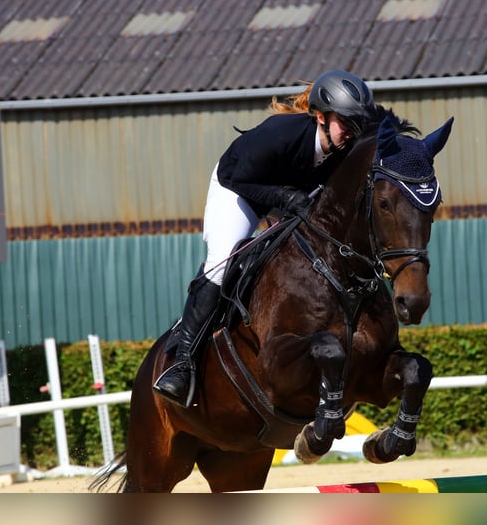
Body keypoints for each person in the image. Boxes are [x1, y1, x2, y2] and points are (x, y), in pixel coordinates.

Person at [153, 69, 376, 407]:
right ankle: (182, 362)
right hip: (238, 189)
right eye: (346, 124)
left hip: (285, 195)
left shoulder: (343, 148)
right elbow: (239, 178)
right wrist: (285, 200)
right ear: (320, 116)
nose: (351, 134)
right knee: (222, 262)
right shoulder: (279, 134)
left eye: (357, 125)